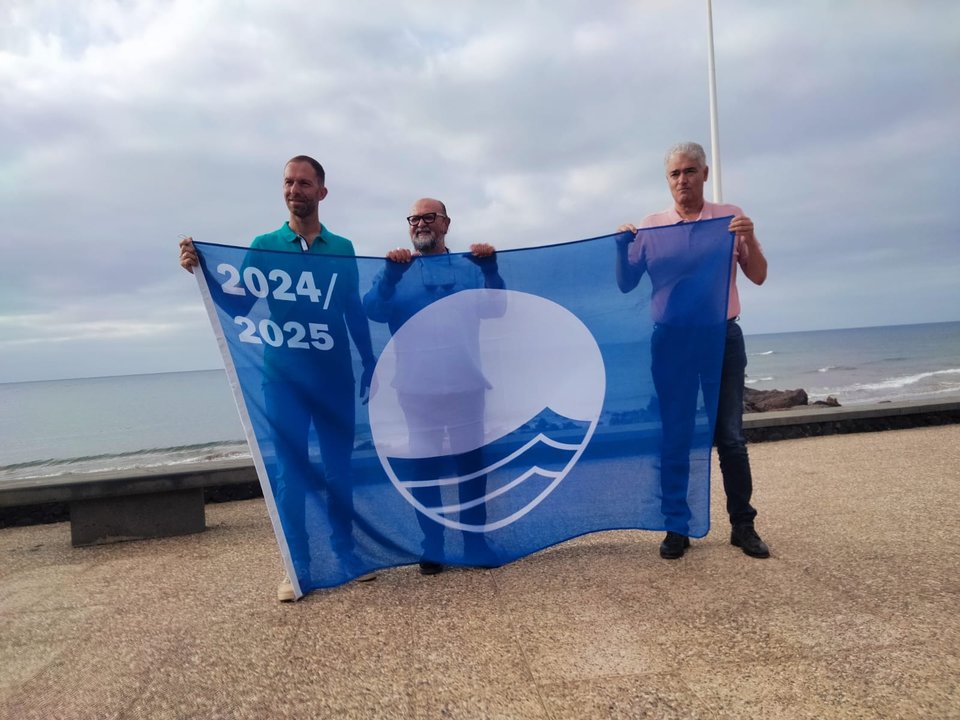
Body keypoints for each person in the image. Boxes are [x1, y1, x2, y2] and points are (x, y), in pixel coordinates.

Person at [179, 155, 377, 601]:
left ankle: (346, 555)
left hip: (334, 378)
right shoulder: (264, 244)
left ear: (321, 192)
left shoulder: (342, 248)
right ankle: (298, 565)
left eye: (304, 184)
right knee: (289, 473)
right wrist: (203, 271)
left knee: (339, 469)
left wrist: (370, 363)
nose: (295, 190)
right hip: (282, 378)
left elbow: (353, 312)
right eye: (288, 182)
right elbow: (241, 305)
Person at [616, 141, 770, 560]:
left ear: (705, 173)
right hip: (672, 341)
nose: (682, 180)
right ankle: (675, 527)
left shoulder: (730, 218)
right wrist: (619, 246)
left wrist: (750, 239)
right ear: (667, 181)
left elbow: (757, 275)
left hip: (721, 338)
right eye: (674, 174)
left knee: (731, 438)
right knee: (676, 436)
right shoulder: (652, 226)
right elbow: (626, 282)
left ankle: (743, 526)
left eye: (689, 171)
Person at [363, 198, 505, 575]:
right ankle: (433, 544)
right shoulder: (396, 270)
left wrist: (491, 269)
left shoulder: (468, 267)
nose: (421, 223)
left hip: (466, 385)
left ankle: (475, 542)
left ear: (446, 224)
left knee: (471, 468)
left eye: (430, 217)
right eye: (414, 218)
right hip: (416, 389)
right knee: (423, 468)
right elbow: (373, 310)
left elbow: (497, 307)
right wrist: (390, 276)